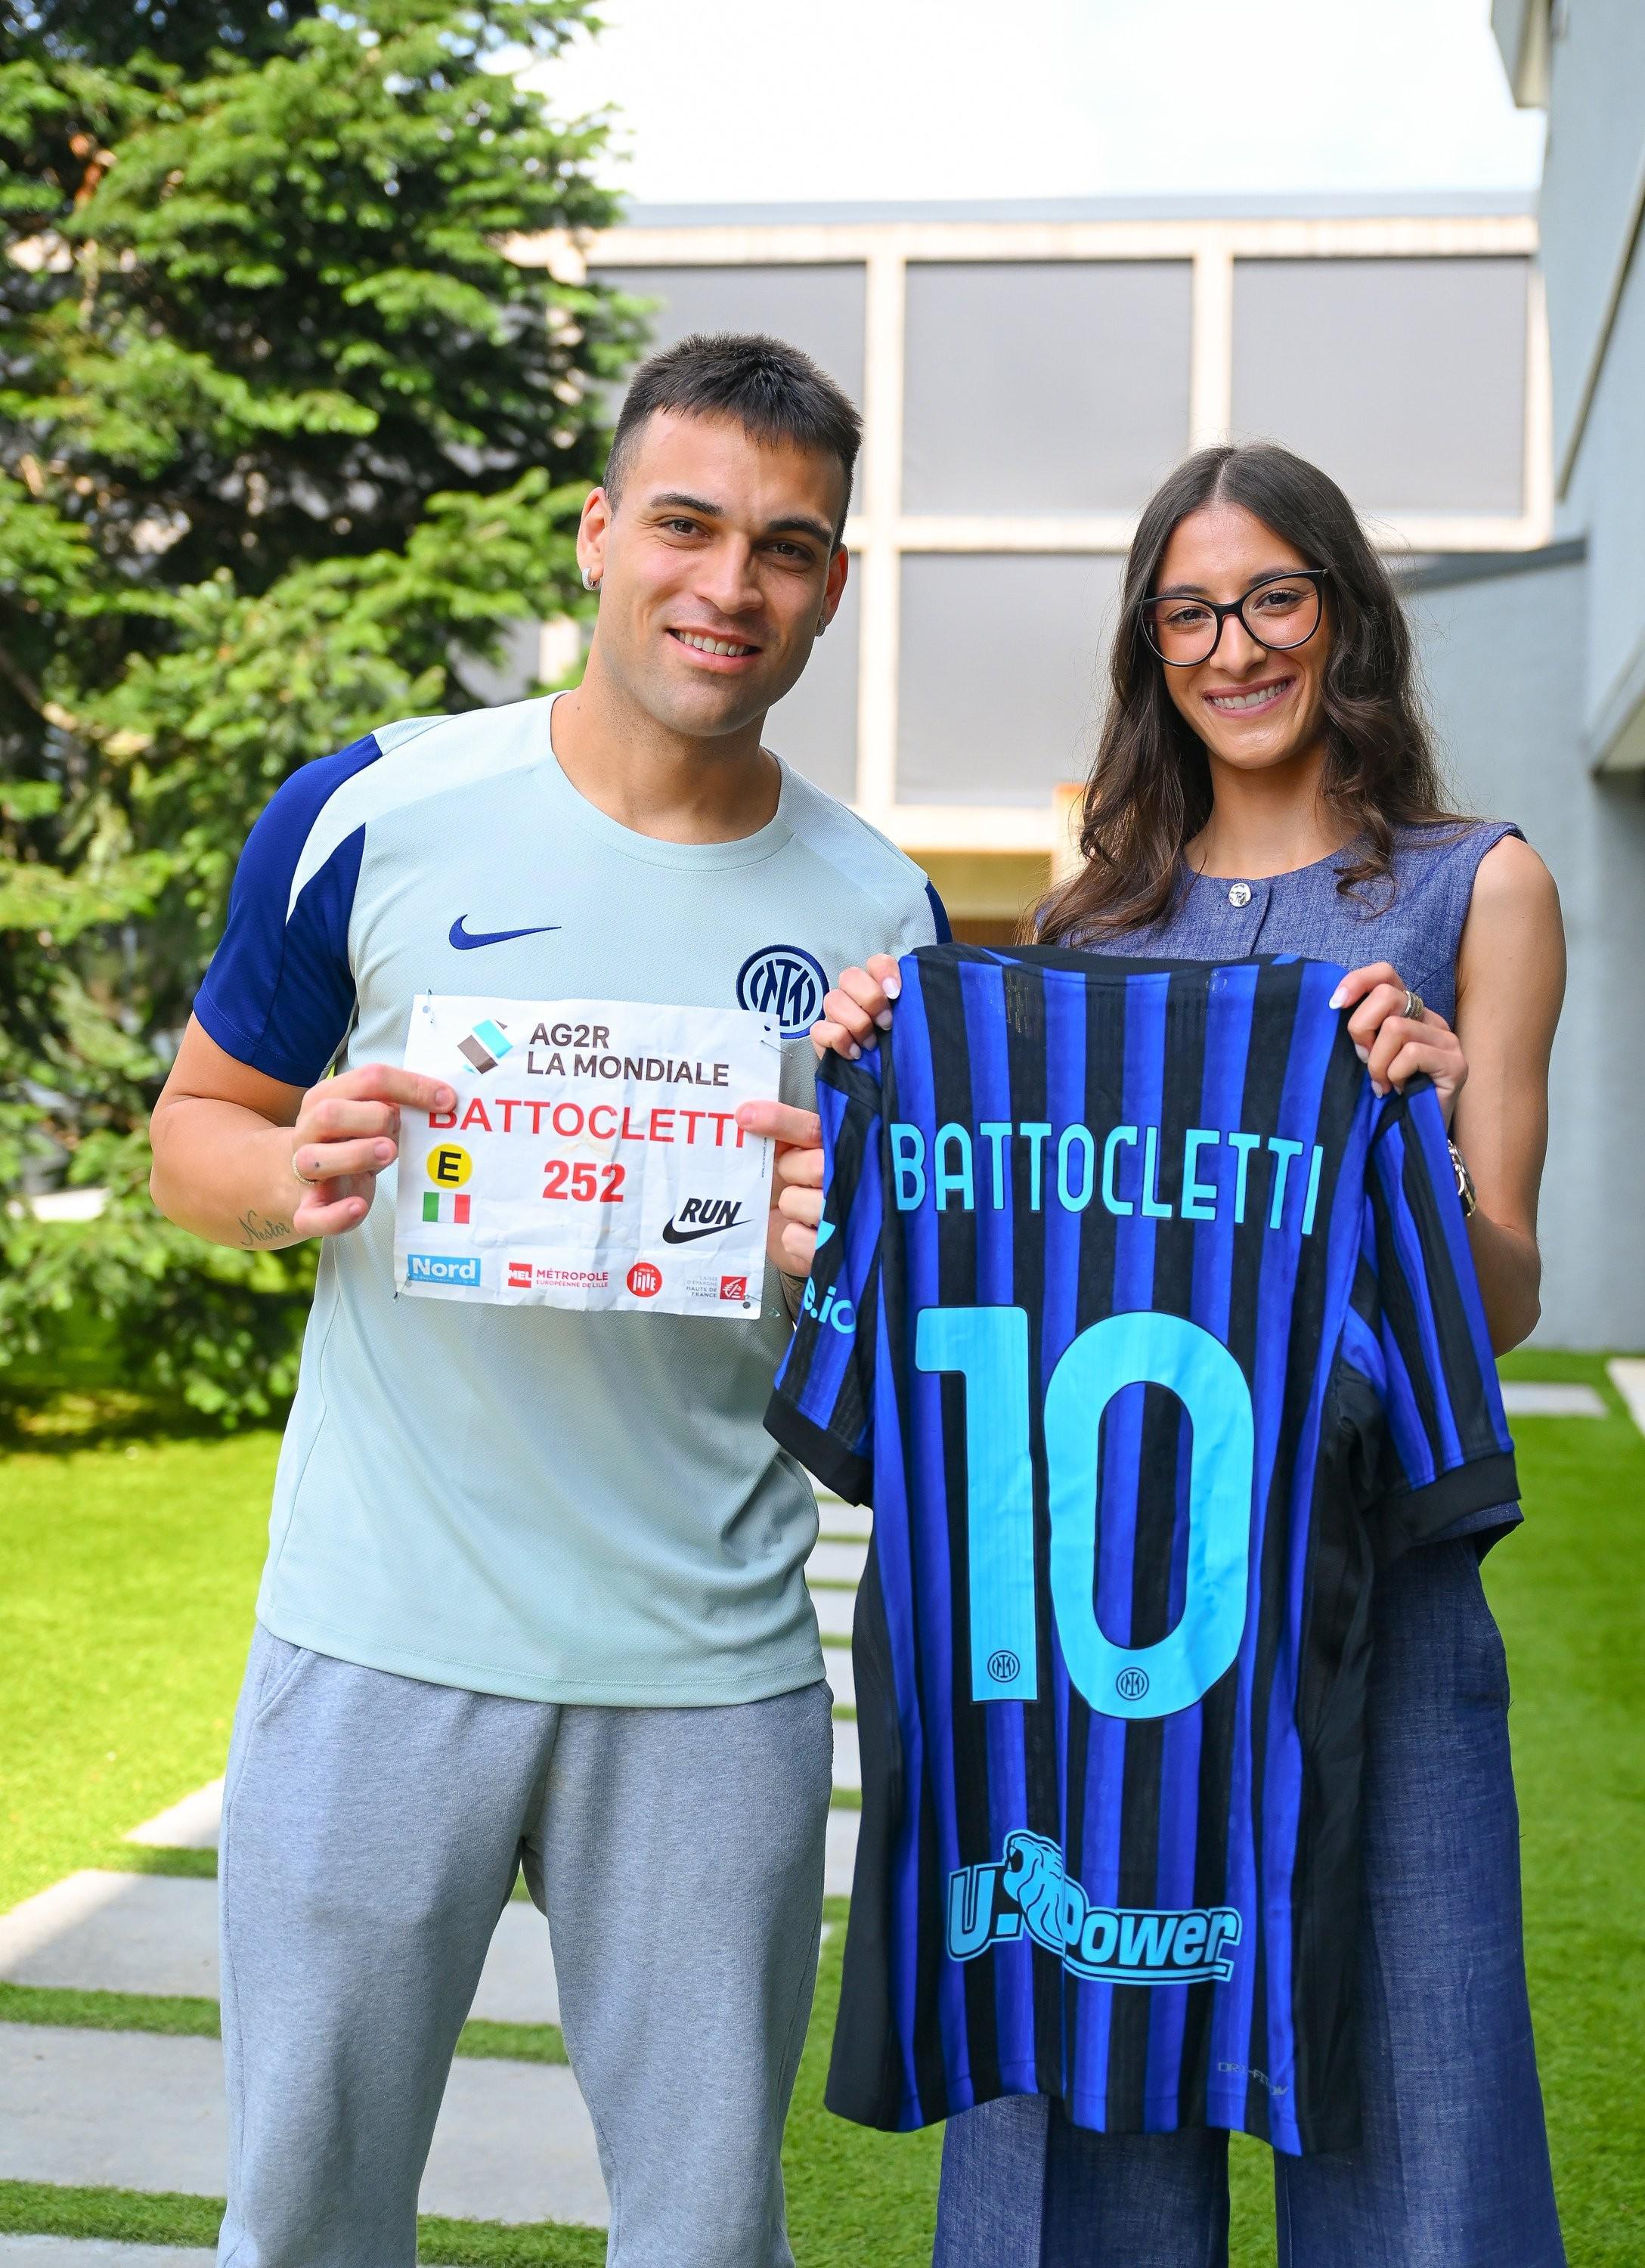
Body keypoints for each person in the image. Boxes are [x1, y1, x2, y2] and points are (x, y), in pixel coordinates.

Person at [147, 331, 947, 2268]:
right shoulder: (371, 811)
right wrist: (289, 1174)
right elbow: (193, 1136)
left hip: (707, 1671)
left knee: (704, 2233)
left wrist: (844, 1250)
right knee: (306, 2217)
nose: (728, 584)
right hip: (377, 1637)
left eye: (785, 546)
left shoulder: (885, 922)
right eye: (686, 525)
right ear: (598, 534)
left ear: (832, 584)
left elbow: (912, 1334)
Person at [809, 440, 1568, 2268]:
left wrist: (1428, 1118)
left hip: (1376, 1617)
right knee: (1083, 2146)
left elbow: (1504, 1297)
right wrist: (876, 1066)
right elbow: (977, 1258)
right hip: (1107, 1640)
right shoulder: (1093, 928)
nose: (1236, 648)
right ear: (1150, 649)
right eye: (1189, 615)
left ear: (1345, 612)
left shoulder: (1477, 890)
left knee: (1421, 2150)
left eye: (1272, 599)